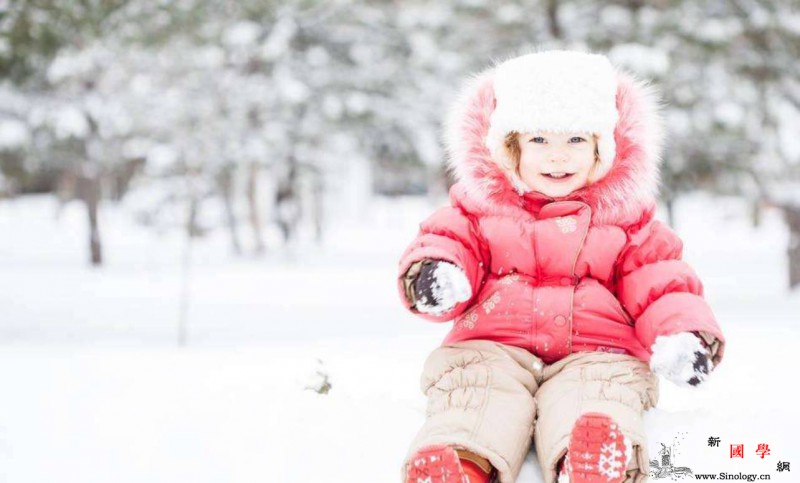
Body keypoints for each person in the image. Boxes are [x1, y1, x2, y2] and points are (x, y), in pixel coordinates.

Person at [397, 50, 726, 483]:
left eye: (575, 141)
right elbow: (448, 241)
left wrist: (681, 336)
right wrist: (436, 275)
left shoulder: (627, 221)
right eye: (539, 140)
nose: (558, 157)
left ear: (602, 148)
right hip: (494, 345)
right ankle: (461, 464)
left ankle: (592, 461)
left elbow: (661, 282)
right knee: (476, 392)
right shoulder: (479, 210)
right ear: (509, 147)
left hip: (597, 351)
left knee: (600, 395)